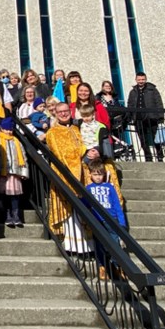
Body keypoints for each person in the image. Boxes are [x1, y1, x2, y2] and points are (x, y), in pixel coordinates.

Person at [44, 102, 93, 254]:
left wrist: (89, 153)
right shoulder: (52, 132)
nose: (64, 114)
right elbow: (60, 154)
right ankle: (73, 247)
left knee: (82, 210)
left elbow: (82, 146)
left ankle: (87, 247)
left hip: (82, 173)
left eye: (66, 111)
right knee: (68, 210)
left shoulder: (76, 129)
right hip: (65, 174)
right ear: (55, 114)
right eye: (60, 112)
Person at [85, 159, 127, 281]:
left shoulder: (109, 187)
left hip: (111, 218)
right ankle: (102, 266)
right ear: (90, 174)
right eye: (95, 174)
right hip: (97, 219)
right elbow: (85, 203)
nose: (98, 177)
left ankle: (116, 265)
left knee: (114, 243)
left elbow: (117, 205)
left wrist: (122, 222)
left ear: (104, 174)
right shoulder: (88, 188)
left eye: (100, 174)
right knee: (99, 243)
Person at [0, 117, 28, 228]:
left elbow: (23, 157)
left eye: (10, 129)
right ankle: (7, 216)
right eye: (6, 129)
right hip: (4, 173)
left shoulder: (16, 142)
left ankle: (16, 216)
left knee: (15, 196)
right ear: (1, 129)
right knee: (5, 195)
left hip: (15, 173)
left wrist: (24, 172)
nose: (9, 131)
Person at [126, 72, 165, 162]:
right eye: (139, 79)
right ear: (136, 80)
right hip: (139, 118)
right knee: (143, 139)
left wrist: (160, 117)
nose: (141, 81)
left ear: (146, 79)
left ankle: (160, 156)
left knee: (156, 138)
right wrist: (130, 116)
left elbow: (159, 103)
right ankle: (148, 157)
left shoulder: (152, 90)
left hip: (152, 117)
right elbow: (130, 104)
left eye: (143, 79)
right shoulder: (133, 92)